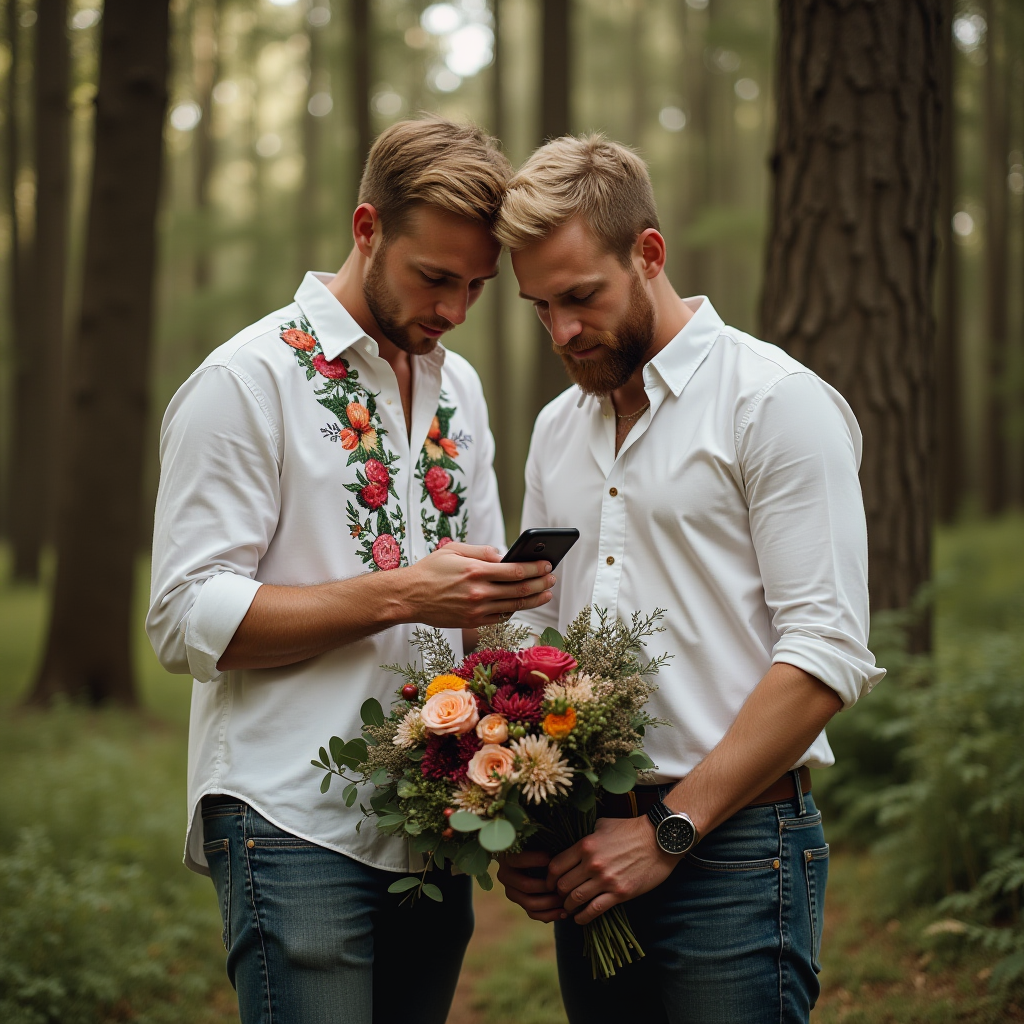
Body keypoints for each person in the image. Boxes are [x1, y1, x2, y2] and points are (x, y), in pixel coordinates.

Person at [146, 116, 556, 1024]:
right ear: (367, 229)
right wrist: (406, 591)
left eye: (477, 287)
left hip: (433, 822)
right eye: (434, 277)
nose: (452, 309)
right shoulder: (246, 381)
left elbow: (479, 610)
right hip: (289, 816)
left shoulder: (462, 390)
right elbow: (182, 616)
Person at [493, 135, 885, 1023]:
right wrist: (524, 815)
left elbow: (826, 654)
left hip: (738, 855)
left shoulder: (774, 403)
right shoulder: (557, 429)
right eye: (539, 307)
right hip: (587, 853)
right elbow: (533, 635)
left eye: (581, 297)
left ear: (650, 254)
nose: (561, 331)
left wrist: (670, 832)